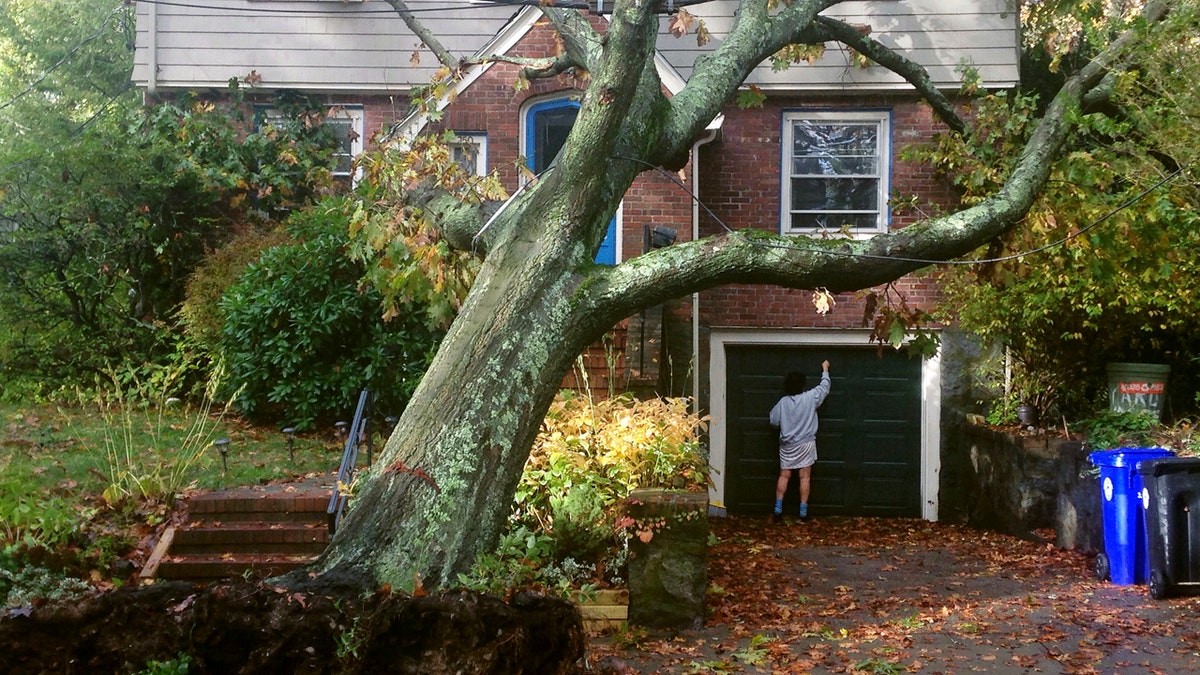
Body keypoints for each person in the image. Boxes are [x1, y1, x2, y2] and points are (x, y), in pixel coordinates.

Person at [768, 360, 831, 522]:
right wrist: (825, 370)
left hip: (787, 446)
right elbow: (824, 388)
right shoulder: (810, 398)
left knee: (784, 476)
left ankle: (777, 511)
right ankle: (803, 513)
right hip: (806, 444)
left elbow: (773, 421)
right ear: (802, 384)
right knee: (804, 477)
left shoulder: (782, 403)